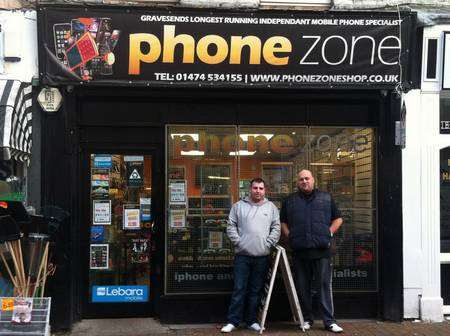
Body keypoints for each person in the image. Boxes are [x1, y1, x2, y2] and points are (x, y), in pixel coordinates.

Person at [280, 169, 344, 333]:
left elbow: (338, 219)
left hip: (322, 251)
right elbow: (283, 222)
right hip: (300, 251)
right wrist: (291, 236)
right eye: (301, 179)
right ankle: (307, 319)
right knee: (303, 287)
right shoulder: (290, 200)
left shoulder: (326, 197)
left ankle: (329, 321)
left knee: (323, 286)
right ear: (297, 182)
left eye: (307, 178)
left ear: (313, 180)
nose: (304, 181)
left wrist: (328, 232)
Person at [221, 178, 280, 333]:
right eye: (255, 188)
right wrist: (239, 242)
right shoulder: (238, 206)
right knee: (239, 289)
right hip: (242, 256)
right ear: (250, 189)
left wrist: (268, 243)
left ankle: (251, 321)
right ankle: (233, 321)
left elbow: (276, 227)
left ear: (265, 190)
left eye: (261, 188)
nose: (258, 191)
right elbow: (230, 225)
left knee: (255, 291)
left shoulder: (271, 207)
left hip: (262, 256)